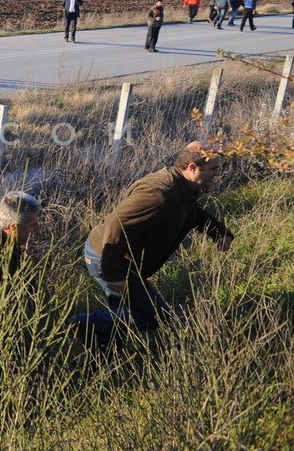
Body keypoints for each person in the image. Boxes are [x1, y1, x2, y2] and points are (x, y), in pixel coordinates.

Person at [68, 142, 234, 347]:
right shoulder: (159, 193)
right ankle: (79, 324)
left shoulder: (182, 187)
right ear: (192, 167)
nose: (217, 174)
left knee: (121, 318)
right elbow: (116, 224)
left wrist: (218, 232)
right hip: (108, 257)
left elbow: (191, 211)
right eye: (213, 169)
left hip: (121, 260)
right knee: (153, 316)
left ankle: (101, 356)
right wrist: (114, 274)